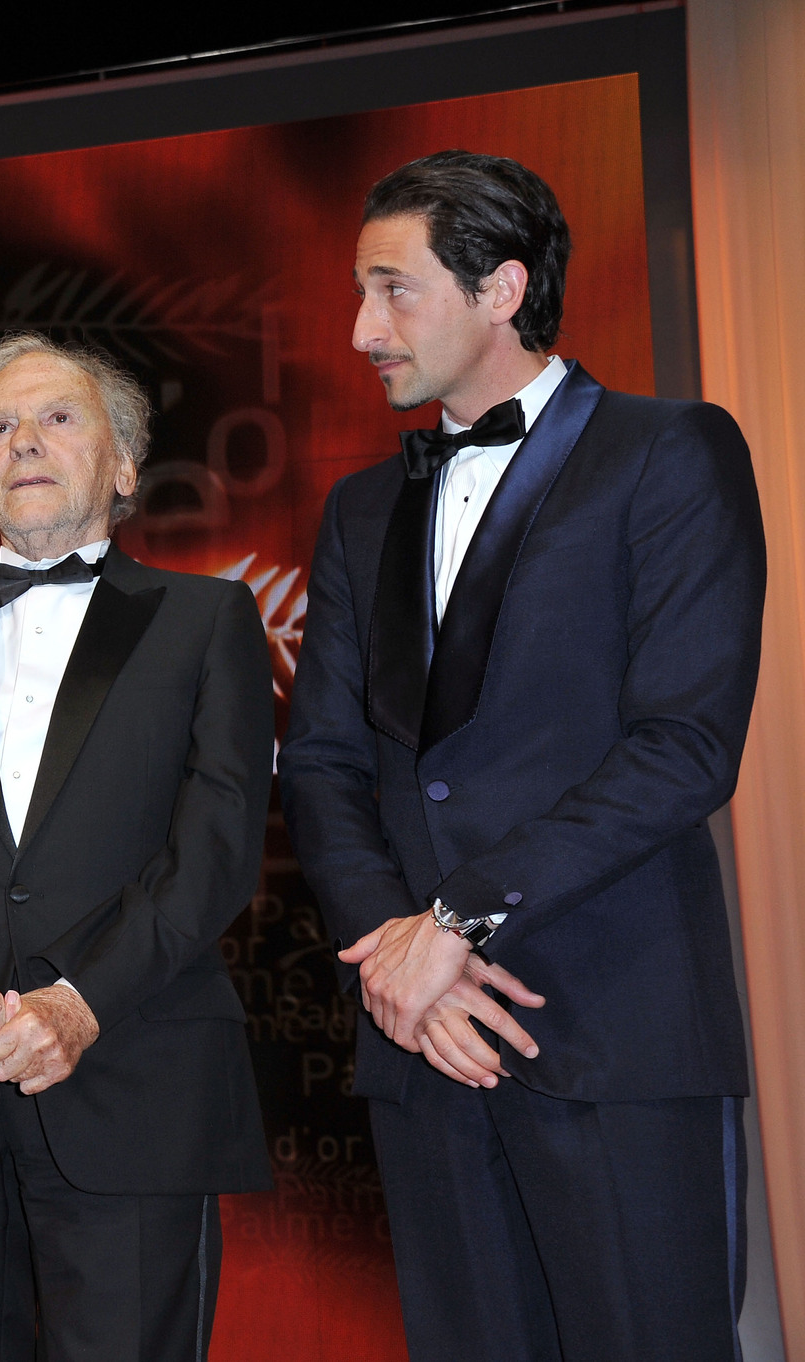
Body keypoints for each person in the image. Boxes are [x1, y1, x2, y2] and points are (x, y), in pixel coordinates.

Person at [280, 151, 766, 1361]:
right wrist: (399, 966)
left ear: (499, 289)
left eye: (391, 291)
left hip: (615, 1033)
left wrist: (451, 922)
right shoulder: (355, 512)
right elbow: (325, 763)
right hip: (423, 1048)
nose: (358, 329)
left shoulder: (670, 453)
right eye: (357, 292)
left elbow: (683, 747)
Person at [0, 332, 275, 1362]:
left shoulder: (208, 619)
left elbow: (213, 850)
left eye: (57, 417)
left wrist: (74, 1004)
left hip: (134, 1078)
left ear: (122, 465)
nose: (24, 439)